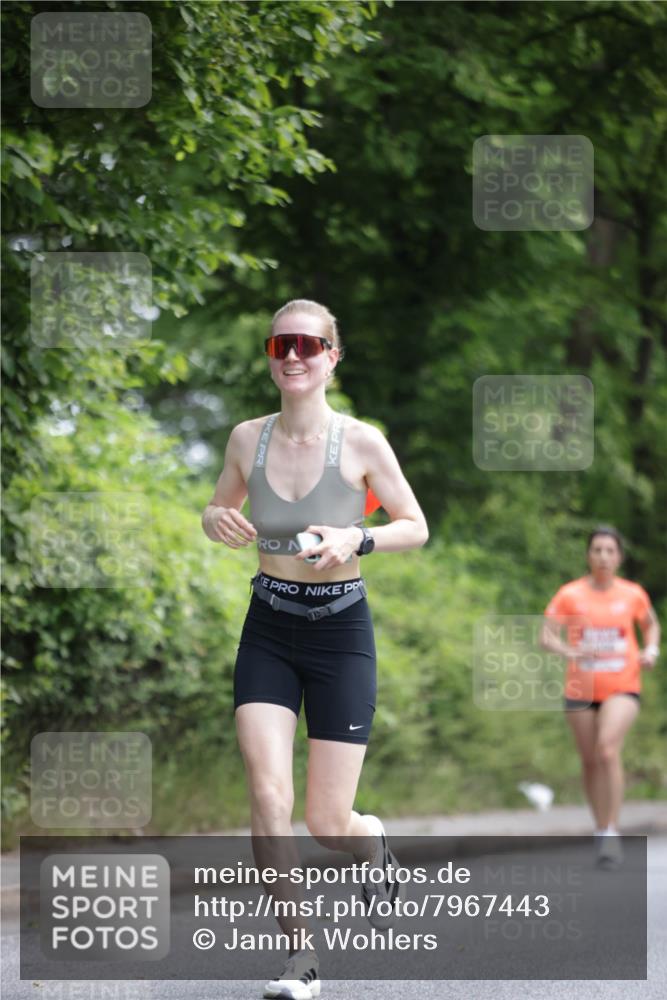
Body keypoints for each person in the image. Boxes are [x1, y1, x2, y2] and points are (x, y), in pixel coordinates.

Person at [202, 299, 429, 999]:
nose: (292, 356)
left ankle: (367, 842)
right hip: (268, 626)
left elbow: (414, 526)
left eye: (307, 344)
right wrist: (213, 517)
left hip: (340, 633)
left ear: (332, 356)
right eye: (280, 345)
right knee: (268, 795)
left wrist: (355, 537)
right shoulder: (247, 439)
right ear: (270, 356)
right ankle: (300, 959)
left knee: (326, 823)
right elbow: (219, 508)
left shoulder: (361, 443)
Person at [541, 526, 660, 868]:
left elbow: (650, 624)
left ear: (619, 557)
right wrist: (572, 651)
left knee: (608, 749)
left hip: (623, 685)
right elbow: (546, 636)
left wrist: (651, 649)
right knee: (590, 760)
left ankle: (611, 830)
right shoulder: (570, 594)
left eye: (610, 550)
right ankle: (601, 828)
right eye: (597, 550)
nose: (604, 557)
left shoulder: (633, 594)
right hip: (580, 689)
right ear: (588, 555)